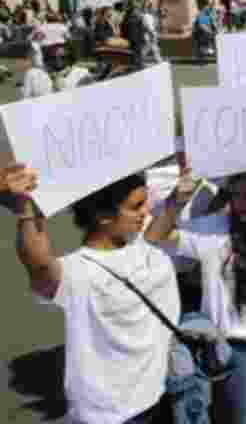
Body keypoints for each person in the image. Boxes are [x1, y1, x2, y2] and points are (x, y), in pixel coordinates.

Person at [9, 167, 180, 423]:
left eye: (145, 202)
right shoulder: (78, 272)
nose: (146, 212)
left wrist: (179, 198)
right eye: (136, 206)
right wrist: (24, 209)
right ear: (103, 217)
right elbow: (40, 265)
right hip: (108, 414)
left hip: (155, 397)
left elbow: (157, 232)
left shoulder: (141, 246)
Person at [146, 167, 246, 424]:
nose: (242, 204)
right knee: (244, 417)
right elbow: (154, 236)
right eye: (237, 195)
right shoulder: (213, 230)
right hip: (234, 342)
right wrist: (177, 200)